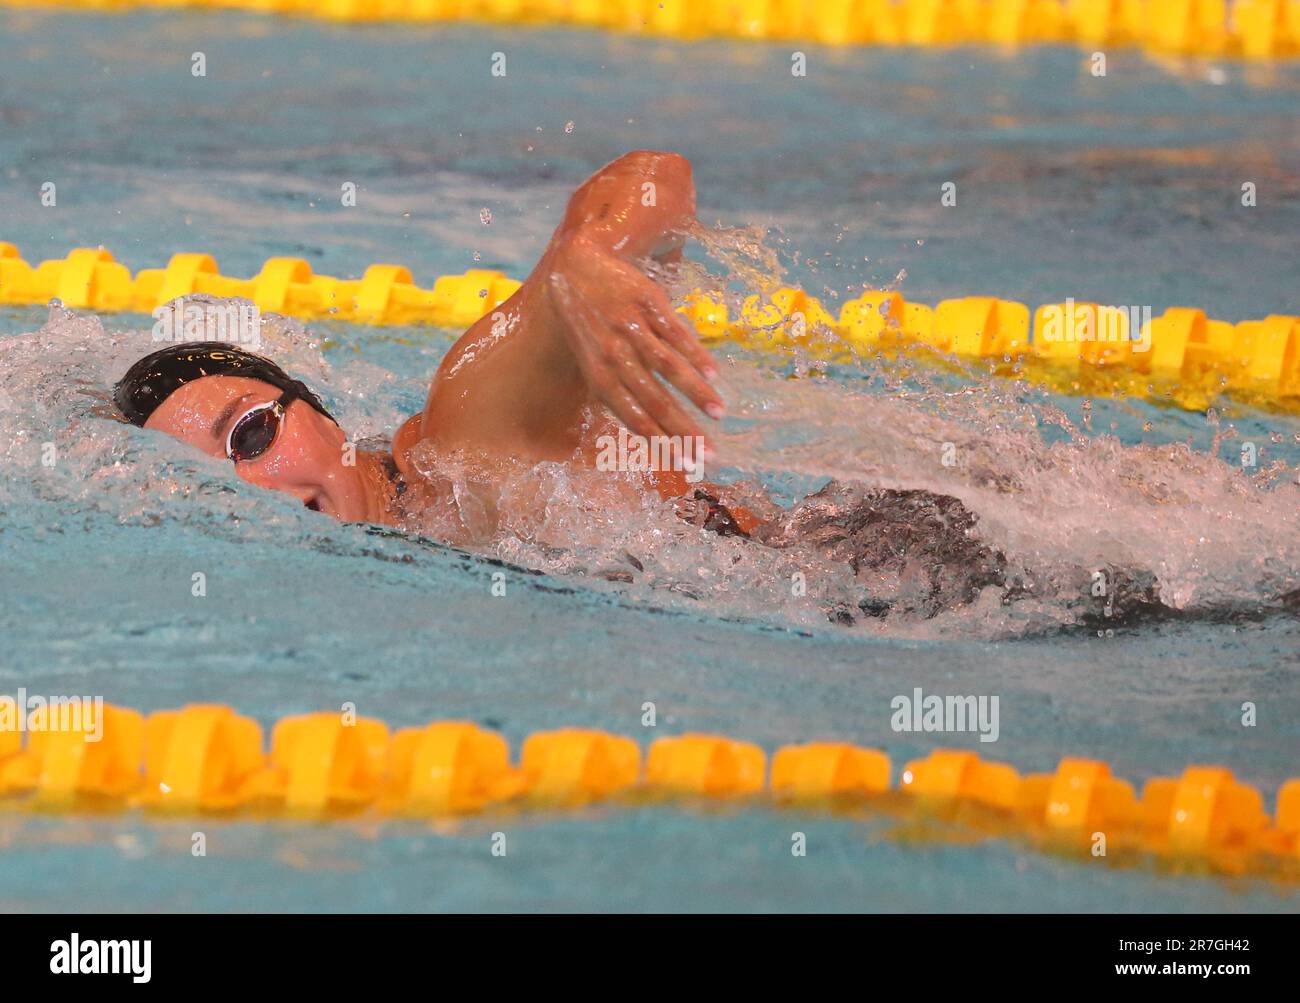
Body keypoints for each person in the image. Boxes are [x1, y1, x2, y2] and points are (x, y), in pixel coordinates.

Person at [115, 151, 1150, 625]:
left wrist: (582, 261)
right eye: (205, 478)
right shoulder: (405, 537)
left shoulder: (466, 436)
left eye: (248, 434)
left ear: (324, 417)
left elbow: (656, 179)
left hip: (937, 560)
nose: (247, 487)